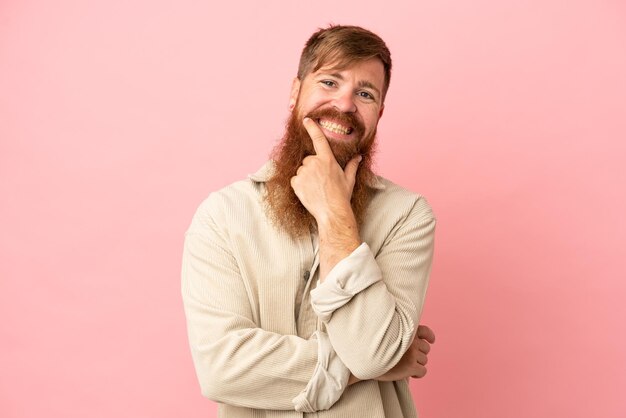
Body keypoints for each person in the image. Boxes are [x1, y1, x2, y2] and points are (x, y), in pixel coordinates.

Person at [181, 24, 436, 417]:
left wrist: (335, 213)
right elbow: (221, 370)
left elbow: (373, 353)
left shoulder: (407, 215)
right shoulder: (222, 216)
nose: (346, 103)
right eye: (330, 82)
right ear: (295, 91)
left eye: (365, 93)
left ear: (379, 113)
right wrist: (363, 367)